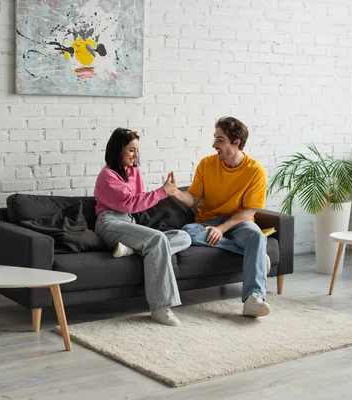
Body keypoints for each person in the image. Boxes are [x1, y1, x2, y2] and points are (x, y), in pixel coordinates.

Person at [171, 117, 271, 318]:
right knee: (188, 232)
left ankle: (254, 298)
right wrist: (175, 192)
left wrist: (222, 229)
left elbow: (249, 212)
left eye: (220, 140)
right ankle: (254, 254)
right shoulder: (207, 164)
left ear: (236, 143)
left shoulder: (255, 171)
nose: (214, 145)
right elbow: (193, 199)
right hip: (206, 222)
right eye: (215, 139)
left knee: (257, 237)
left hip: (238, 222)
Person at [93, 128, 191, 326]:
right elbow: (129, 203)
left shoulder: (134, 172)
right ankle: (160, 307)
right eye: (130, 150)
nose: (135, 155)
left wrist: (163, 193)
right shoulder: (107, 176)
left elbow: (138, 203)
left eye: (137, 150)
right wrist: (163, 192)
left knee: (184, 237)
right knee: (157, 240)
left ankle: (132, 251)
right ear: (117, 149)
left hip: (129, 222)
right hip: (110, 223)